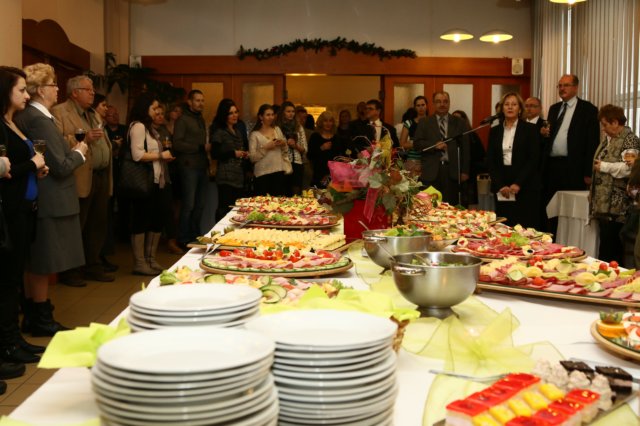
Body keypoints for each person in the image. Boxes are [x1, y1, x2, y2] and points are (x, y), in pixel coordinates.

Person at [15, 63, 88, 336]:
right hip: (52, 199)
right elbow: (60, 165)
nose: (58, 89)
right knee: (43, 262)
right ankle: (41, 317)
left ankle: (33, 314)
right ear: (40, 90)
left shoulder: (30, 116)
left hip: (41, 196)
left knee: (35, 261)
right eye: (53, 84)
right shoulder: (39, 119)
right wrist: (80, 152)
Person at [0, 66, 48, 369]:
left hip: (24, 209)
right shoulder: (1, 127)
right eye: (21, 90)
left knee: (15, 278)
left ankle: (15, 339)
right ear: (5, 91)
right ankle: (7, 344)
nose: (27, 95)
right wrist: (32, 165)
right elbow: (5, 173)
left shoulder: (12, 122)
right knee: (6, 281)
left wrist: (36, 168)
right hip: (10, 211)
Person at [51, 75, 114, 284]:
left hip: (100, 175)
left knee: (97, 224)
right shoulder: (60, 112)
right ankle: (70, 271)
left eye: (92, 89)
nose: (93, 93)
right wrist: (84, 138)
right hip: (79, 176)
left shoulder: (93, 113)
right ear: (75, 92)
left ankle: (92, 265)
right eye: (88, 89)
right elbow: (57, 143)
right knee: (77, 225)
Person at [541, 74, 599, 232]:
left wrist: (588, 172)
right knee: (551, 208)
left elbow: (592, 143)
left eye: (566, 85)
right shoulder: (554, 109)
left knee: (569, 209)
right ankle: (551, 237)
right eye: (559, 85)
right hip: (552, 166)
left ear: (576, 87)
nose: (562, 88)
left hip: (574, 167)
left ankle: (567, 240)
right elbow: (550, 135)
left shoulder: (588, 110)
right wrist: (544, 134)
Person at [126, 94, 175, 275]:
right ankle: (140, 262)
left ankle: (150, 260)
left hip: (157, 180)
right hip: (143, 181)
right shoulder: (138, 126)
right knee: (141, 220)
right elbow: (137, 155)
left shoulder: (149, 128)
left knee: (156, 219)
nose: (156, 112)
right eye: (153, 108)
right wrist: (161, 155)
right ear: (144, 108)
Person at [589, 104, 640, 262]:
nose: (603, 129)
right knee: (605, 245)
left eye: (605, 124)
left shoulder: (630, 139)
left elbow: (629, 168)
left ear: (615, 122)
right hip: (604, 204)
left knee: (612, 248)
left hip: (618, 206)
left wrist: (605, 166)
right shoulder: (608, 140)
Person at [485, 92, 540, 228]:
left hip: (524, 184)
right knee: (504, 225)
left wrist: (518, 183)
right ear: (502, 108)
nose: (510, 107)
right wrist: (500, 185)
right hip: (502, 184)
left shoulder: (530, 129)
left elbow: (533, 159)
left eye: (514, 104)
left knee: (523, 225)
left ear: (520, 109)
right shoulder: (495, 131)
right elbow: (490, 160)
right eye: (507, 104)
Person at [413, 91, 470, 205]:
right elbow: (417, 144)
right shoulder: (424, 122)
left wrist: (465, 171)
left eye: (445, 101)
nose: (442, 104)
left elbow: (466, 147)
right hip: (431, 171)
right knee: (431, 207)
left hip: (453, 171)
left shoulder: (459, 122)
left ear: (449, 103)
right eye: (438, 102)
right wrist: (434, 145)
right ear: (433, 104)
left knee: (451, 206)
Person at [173, 90, 209, 248]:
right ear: (190, 102)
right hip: (188, 167)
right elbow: (177, 144)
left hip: (201, 166)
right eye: (197, 100)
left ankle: (195, 236)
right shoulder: (182, 120)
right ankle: (183, 239)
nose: (201, 103)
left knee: (200, 205)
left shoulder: (200, 119)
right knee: (189, 205)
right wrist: (199, 147)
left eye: (202, 100)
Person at [211, 99, 249, 221]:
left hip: (238, 176)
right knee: (224, 209)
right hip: (225, 177)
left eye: (236, 112)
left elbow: (240, 149)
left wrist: (244, 154)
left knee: (236, 210)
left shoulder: (238, 131)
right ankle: (218, 231)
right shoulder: (219, 132)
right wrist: (233, 153)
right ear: (224, 115)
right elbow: (214, 153)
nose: (234, 115)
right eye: (231, 113)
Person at [152, 104, 182, 255]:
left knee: (169, 208)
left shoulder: (164, 130)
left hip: (166, 173)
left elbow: (170, 148)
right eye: (157, 114)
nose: (160, 116)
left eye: (161, 114)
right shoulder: (146, 130)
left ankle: (171, 240)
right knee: (155, 210)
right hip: (151, 175)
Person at [249, 104, 289, 196]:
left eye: (272, 114)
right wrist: (266, 148)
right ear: (260, 117)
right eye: (268, 115)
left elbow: (285, 151)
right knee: (263, 203)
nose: (271, 117)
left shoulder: (277, 129)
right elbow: (252, 158)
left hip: (279, 172)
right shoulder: (254, 134)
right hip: (262, 175)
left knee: (278, 202)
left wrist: (283, 144)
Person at [452, 109, 485, 206]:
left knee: (467, 201)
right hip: (453, 174)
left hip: (469, 174)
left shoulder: (472, 135)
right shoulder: (450, 137)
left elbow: (480, 155)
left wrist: (465, 171)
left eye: (458, 119)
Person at [277, 101, 307, 196]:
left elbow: (305, 149)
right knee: (283, 193)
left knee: (296, 193)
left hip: (297, 163)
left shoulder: (298, 127)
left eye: (293, 111)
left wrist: (295, 146)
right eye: (288, 111)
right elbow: (275, 146)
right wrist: (285, 143)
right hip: (282, 163)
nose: (291, 114)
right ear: (283, 112)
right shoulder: (277, 128)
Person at [308, 111, 344, 188]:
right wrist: (321, 148)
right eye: (325, 121)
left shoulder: (337, 137)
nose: (328, 123)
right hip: (319, 173)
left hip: (334, 174)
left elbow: (339, 156)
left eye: (330, 121)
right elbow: (310, 155)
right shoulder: (315, 136)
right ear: (321, 122)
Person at [400, 96, 429, 178]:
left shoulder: (432, 122)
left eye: (423, 105)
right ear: (415, 107)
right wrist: (418, 143)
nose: (421, 108)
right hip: (413, 160)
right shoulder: (409, 123)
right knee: (412, 184)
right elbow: (402, 144)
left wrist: (415, 143)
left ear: (427, 106)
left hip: (428, 159)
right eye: (418, 105)